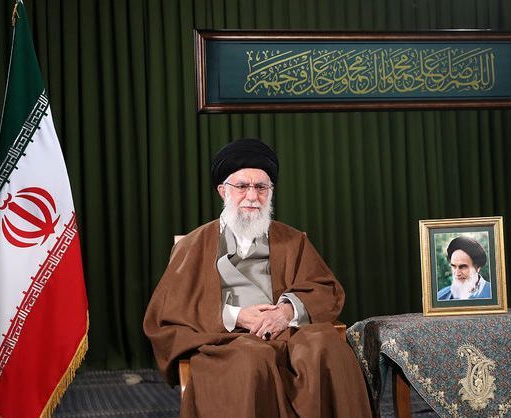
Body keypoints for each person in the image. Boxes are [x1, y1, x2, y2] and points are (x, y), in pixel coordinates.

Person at [144, 138, 372, 418]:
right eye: (242, 186)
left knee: (326, 345)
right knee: (251, 358)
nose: (252, 196)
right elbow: (168, 313)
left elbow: (324, 288)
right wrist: (237, 316)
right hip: (227, 341)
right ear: (223, 191)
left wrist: (286, 311)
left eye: (261, 187)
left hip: (287, 333)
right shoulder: (193, 245)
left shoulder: (292, 239)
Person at [437, 236, 492, 300]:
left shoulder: (495, 294)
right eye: (454, 266)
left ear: (477, 268)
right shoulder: (440, 297)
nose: (457, 273)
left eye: (463, 267)